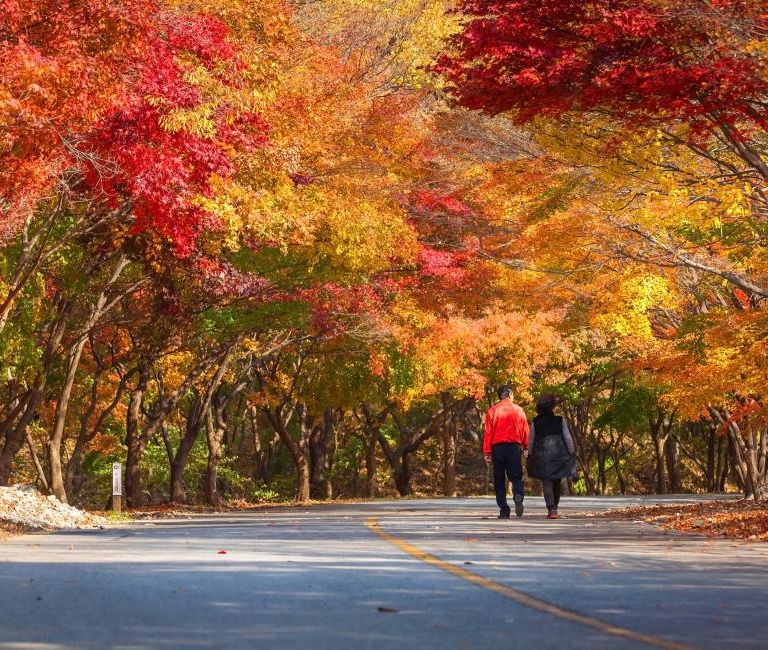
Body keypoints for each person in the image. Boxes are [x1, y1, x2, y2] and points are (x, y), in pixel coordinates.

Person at [526, 393, 575, 519]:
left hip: (541, 456)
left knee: (546, 482)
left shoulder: (536, 421)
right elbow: (568, 438)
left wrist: (529, 453)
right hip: (558, 455)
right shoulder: (560, 420)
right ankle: (555, 507)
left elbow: (531, 440)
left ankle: (551, 509)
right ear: (553, 406)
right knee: (557, 482)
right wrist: (571, 451)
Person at [483, 385, 529, 519]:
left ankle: (504, 509)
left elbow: (488, 433)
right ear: (510, 395)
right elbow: (525, 430)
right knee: (516, 476)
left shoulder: (492, 411)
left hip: (497, 448)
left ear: (500, 397)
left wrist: (487, 452)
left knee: (499, 478)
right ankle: (518, 494)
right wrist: (526, 447)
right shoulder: (519, 410)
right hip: (514, 447)